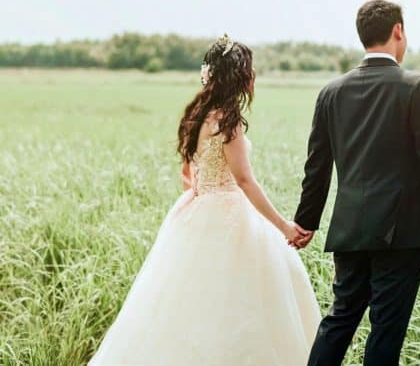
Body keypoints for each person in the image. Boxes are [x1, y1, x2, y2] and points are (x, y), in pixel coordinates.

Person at [88, 35, 320, 366]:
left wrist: (201, 192)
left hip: (196, 209)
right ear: (239, 77)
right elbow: (244, 180)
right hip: (228, 210)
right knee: (239, 304)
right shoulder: (229, 122)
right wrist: (284, 226)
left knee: (186, 304)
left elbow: (187, 172)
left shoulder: (198, 115)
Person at [291, 0, 420, 366]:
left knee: (339, 320)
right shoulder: (416, 86)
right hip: (401, 232)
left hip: (350, 229)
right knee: (385, 332)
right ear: (398, 31)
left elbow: (317, 167)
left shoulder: (331, 92)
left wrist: (306, 222)